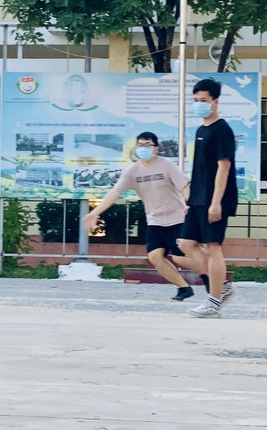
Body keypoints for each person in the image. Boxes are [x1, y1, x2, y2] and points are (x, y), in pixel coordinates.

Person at [83, 132, 195, 301]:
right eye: (140, 145)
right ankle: (184, 288)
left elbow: (184, 187)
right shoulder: (133, 171)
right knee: (155, 257)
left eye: (147, 145)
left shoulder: (167, 165)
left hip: (177, 218)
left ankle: (212, 274)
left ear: (156, 148)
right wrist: (94, 212)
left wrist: (189, 204)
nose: (143, 148)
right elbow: (115, 192)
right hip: (155, 220)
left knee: (181, 258)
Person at [178, 78, 239, 318]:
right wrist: (190, 199)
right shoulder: (201, 130)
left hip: (215, 199)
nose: (199, 104)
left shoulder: (222, 130)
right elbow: (201, 169)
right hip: (198, 198)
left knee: (213, 247)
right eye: (195, 100)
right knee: (185, 243)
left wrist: (216, 202)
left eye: (203, 100)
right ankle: (222, 287)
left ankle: (214, 301)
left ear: (215, 102)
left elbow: (224, 167)